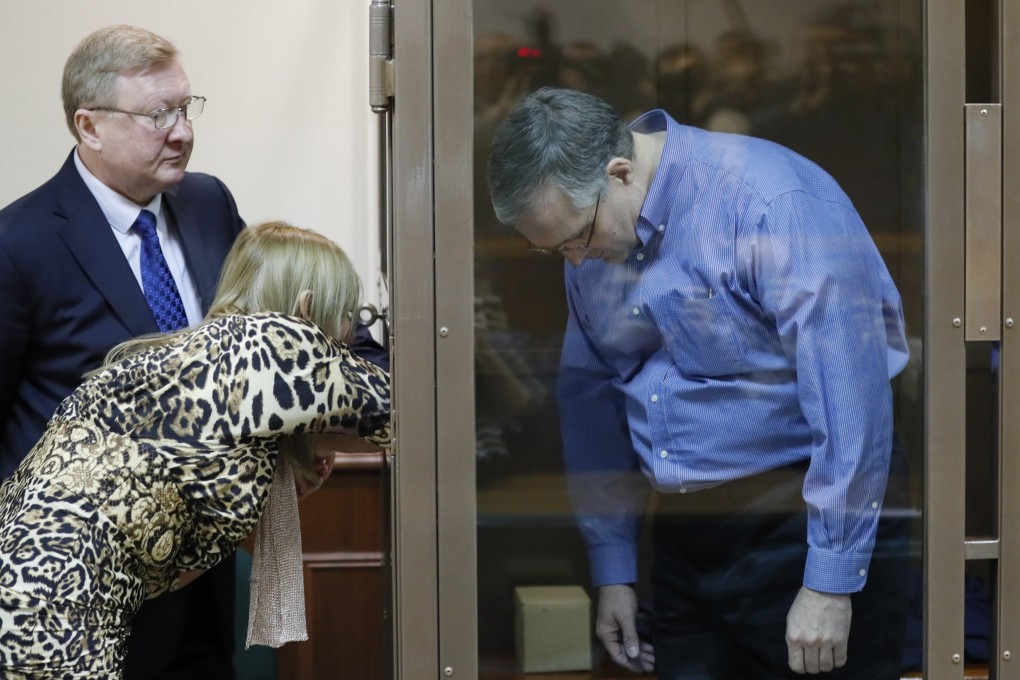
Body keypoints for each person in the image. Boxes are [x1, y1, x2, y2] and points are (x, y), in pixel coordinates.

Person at [487, 87, 911, 679]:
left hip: (799, 516)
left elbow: (851, 395)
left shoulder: (767, 198)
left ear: (620, 173)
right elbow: (591, 398)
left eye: (577, 238)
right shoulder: (590, 235)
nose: (575, 262)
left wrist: (831, 581)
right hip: (687, 532)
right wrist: (614, 568)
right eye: (553, 250)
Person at [0, 221, 392, 678]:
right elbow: (397, 415)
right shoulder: (274, 346)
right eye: (345, 313)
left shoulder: (205, 350)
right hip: (59, 598)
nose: (348, 331)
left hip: (30, 578)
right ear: (306, 308)